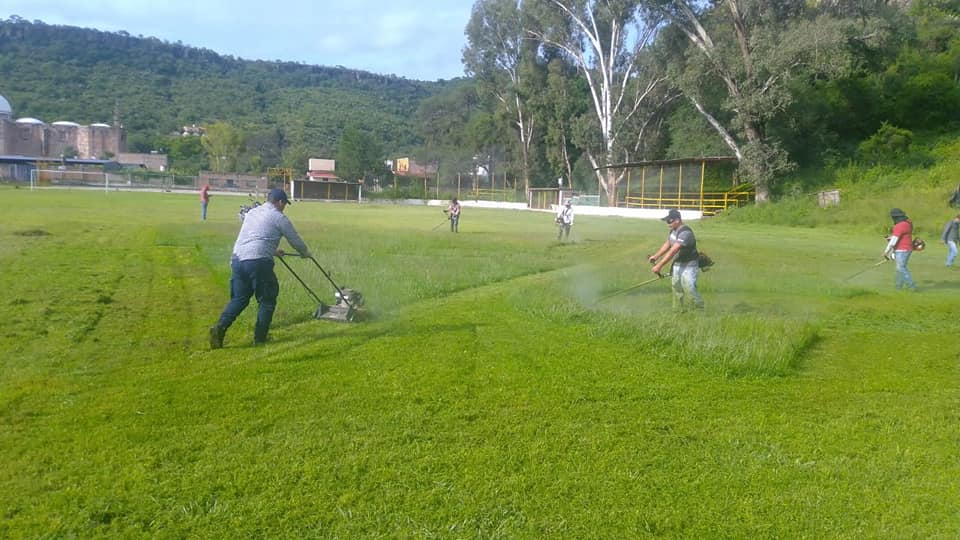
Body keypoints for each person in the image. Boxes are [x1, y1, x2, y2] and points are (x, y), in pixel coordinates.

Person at [209, 188, 311, 349]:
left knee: (239, 299)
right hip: (258, 262)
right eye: (284, 204)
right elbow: (295, 240)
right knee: (267, 299)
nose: (284, 207)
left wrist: (274, 251)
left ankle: (219, 328)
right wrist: (305, 253)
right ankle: (260, 338)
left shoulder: (253, 213)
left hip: (237, 259)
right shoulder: (279, 217)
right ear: (280, 202)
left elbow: (255, 236)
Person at [648, 209, 704, 311]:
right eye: (667, 221)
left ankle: (699, 309)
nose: (668, 224)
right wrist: (656, 256)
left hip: (689, 265)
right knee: (676, 287)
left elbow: (674, 250)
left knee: (689, 287)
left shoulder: (686, 232)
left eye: (669, 221)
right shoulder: (673, 231)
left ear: (677, 220)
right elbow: (668, 244)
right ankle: (679, 310)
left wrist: (659, 266)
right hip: (678, 263)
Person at [881, 207, 917, 291]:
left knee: (900, 268)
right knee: (899, 269)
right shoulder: (908, 223)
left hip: (902, 249)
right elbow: (900, 236)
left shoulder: (899, 225)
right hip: (906, 249)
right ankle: (898, 288)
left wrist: (886, 252)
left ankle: (912, 287)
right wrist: (891, 238)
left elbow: (894, 240)